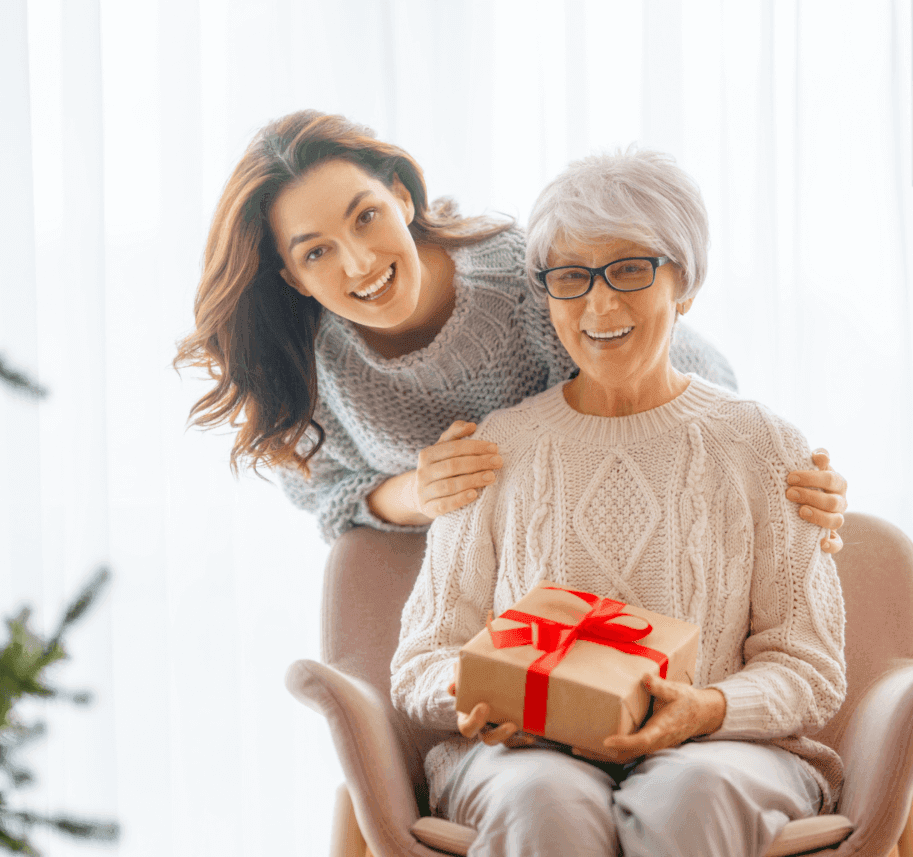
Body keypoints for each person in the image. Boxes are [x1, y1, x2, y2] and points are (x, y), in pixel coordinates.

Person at [390, 148, 846, 857]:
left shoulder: (766, 446)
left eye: (630, 269)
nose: (599, 303)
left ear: (684, 284)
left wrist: (706, 708)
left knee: (690, 792)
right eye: (570, 276)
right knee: (543, 800)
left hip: (720, 751)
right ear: (546, 292)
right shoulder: (496, 448)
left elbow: (811, 668)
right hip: (525, 758)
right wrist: (484, 693)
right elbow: (422, 658)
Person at [175, 110, 847, 547]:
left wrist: (770, 472)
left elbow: (663, 386)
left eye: (365, 217)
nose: (359, 262)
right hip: (478, 575)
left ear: (402, 196)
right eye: (315, 251)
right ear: (291, 276)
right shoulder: (309, 363)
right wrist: (416, 492)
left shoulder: (522, 282)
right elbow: (323, 492)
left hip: (619, 513)